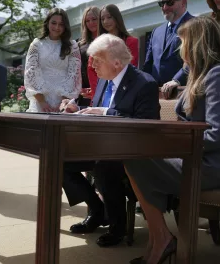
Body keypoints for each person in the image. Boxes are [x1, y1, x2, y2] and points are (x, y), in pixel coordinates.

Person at [125, 16, 220, 264]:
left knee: (135, 160)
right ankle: (159, 239)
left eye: (183, 42)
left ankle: (161, 240)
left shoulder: (218, 75)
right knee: (133, 157)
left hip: (216, 165)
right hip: (195, 157)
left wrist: (169, 144)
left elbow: (215, 134)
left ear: (197, 43)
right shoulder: (199, 74)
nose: (180, 49)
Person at [60, 34, 160, 248]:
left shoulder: (144, 83)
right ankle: (98, 211)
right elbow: (96, 113)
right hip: (99, 145)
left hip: (131, 151)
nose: (92, 64)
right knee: (59, 160)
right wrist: (78, 110)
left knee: (105, 165)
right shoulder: (105, 81)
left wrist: (106, 111)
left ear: (116, 63)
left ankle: (117, 227)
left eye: (97, 59)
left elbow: (147, 123)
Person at [24, 8, 81, 112]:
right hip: (40, 102)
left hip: (63, 104)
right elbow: (30, 74)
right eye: (53, 23)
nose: (57, 27)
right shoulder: (36, 45)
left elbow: (74, 75)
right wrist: (42, 102)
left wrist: (63, 103)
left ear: (65, 26)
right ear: (47, 23)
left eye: (61, 24)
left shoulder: (72, 46)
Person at [142, 0, 194, 98]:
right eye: (161, 3)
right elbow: (149, 65)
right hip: (156, 97)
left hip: (184, 94)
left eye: (169, 2)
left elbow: (197, 58)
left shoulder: (196, 25)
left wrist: (177, 80)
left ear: (183, 2)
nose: (165, 7)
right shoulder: (156, 31)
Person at [87, 4, 139, 98]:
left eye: (109, 17)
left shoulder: (131, 41)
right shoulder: (97, 44)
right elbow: (92, 71)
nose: (106, 21)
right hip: (101, 94)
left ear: (116, 18)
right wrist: (97, 97)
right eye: (102, 19)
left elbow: (130, 68)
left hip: (124, 92)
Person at [78, 6, 100, 90]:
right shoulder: (80, 44)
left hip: (103, 88)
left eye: (94, 19)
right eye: (87, 21)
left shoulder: (108, 40)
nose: (91, 23)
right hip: (85, 90)